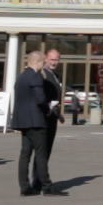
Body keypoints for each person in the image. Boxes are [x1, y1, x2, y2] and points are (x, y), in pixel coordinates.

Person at [13, 51, 65, 197]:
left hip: (23, 121)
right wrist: (48, 110)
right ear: (38, 62)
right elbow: (40, 99)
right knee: (41, 154)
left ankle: (24, 187)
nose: (45, 65)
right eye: (44, 62)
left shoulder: (21, 77)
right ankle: (46, 186)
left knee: (25, 154)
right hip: (36, 121)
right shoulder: (36, 76)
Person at [33, 49, 65, 191]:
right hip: (44, 117)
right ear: (46, 59)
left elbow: (55, 98)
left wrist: (59, 114)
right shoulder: (43, 74)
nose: (54, 62)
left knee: (47, 150)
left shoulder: (56, 75)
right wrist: (47, 111)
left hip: (52, 116)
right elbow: (40, 96)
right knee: (42, 151)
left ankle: (39, 180)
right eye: (51, 59)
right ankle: (38, 181)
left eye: (56, 59)